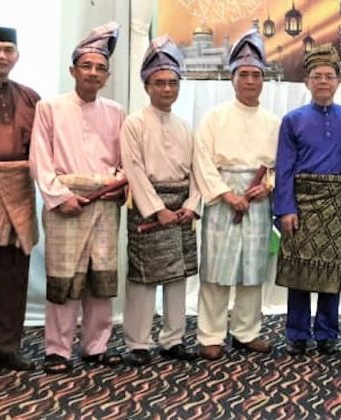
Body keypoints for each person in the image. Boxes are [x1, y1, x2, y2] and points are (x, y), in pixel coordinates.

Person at [29, 22, 126, 374]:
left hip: (105, 203)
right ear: (73, 70)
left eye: (100, 68)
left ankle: (96, 346)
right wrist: (59, 197)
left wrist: (118, 185)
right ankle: (57, 350)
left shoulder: (115, 111)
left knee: (101, 278)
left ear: (107, 76)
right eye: (86, 66)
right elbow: (39, 159)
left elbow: (123, 161)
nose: (93, 73)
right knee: (64, 278)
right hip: (66, 204)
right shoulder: (49, 107)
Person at [193, 28, 279, 360]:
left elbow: (280, 166)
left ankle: (246, 332)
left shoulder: (273, 122)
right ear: (232, 79)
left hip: (257, 202)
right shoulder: (214, 117)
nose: (250, 81)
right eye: (243, 74)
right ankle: (210, 334)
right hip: (222, 201)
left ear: (263, 80)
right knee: (216, 271)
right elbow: (202, 161)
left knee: (251, 271)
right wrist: (227, 195)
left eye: (256, 75)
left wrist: (267, 186)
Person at [274, 44, 341, 356]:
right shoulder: (292, 120)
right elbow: (284, 167)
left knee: (331, 270)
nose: (323, 81)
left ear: (338, 81)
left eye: (329, 76)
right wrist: (285, 208)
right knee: (298, 269)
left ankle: (327, 333)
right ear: (307, 82)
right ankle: (297, 333)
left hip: (336, 202)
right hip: (301, 201)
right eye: (317, 76)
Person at [120, 36, 199, 366]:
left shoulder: (185, 126)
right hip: (149, 209)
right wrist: (157, 210)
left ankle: (173, 339)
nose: (167, 89)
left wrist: (192, 204)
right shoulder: (134, 123)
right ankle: (138, 342)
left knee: (178, 276)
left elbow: (197, 170)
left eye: (172, 83)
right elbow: (133, 170)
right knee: (143, 277)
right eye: (160, 83)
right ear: (147, 86)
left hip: (180, 210)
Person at [0, 25, 40, 371]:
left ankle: (6, 347)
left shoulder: (30, 98)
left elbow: (45, 150)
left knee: (12, 275)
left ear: (17, 56)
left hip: (19, 195)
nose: (1, 56)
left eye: (8, 50)